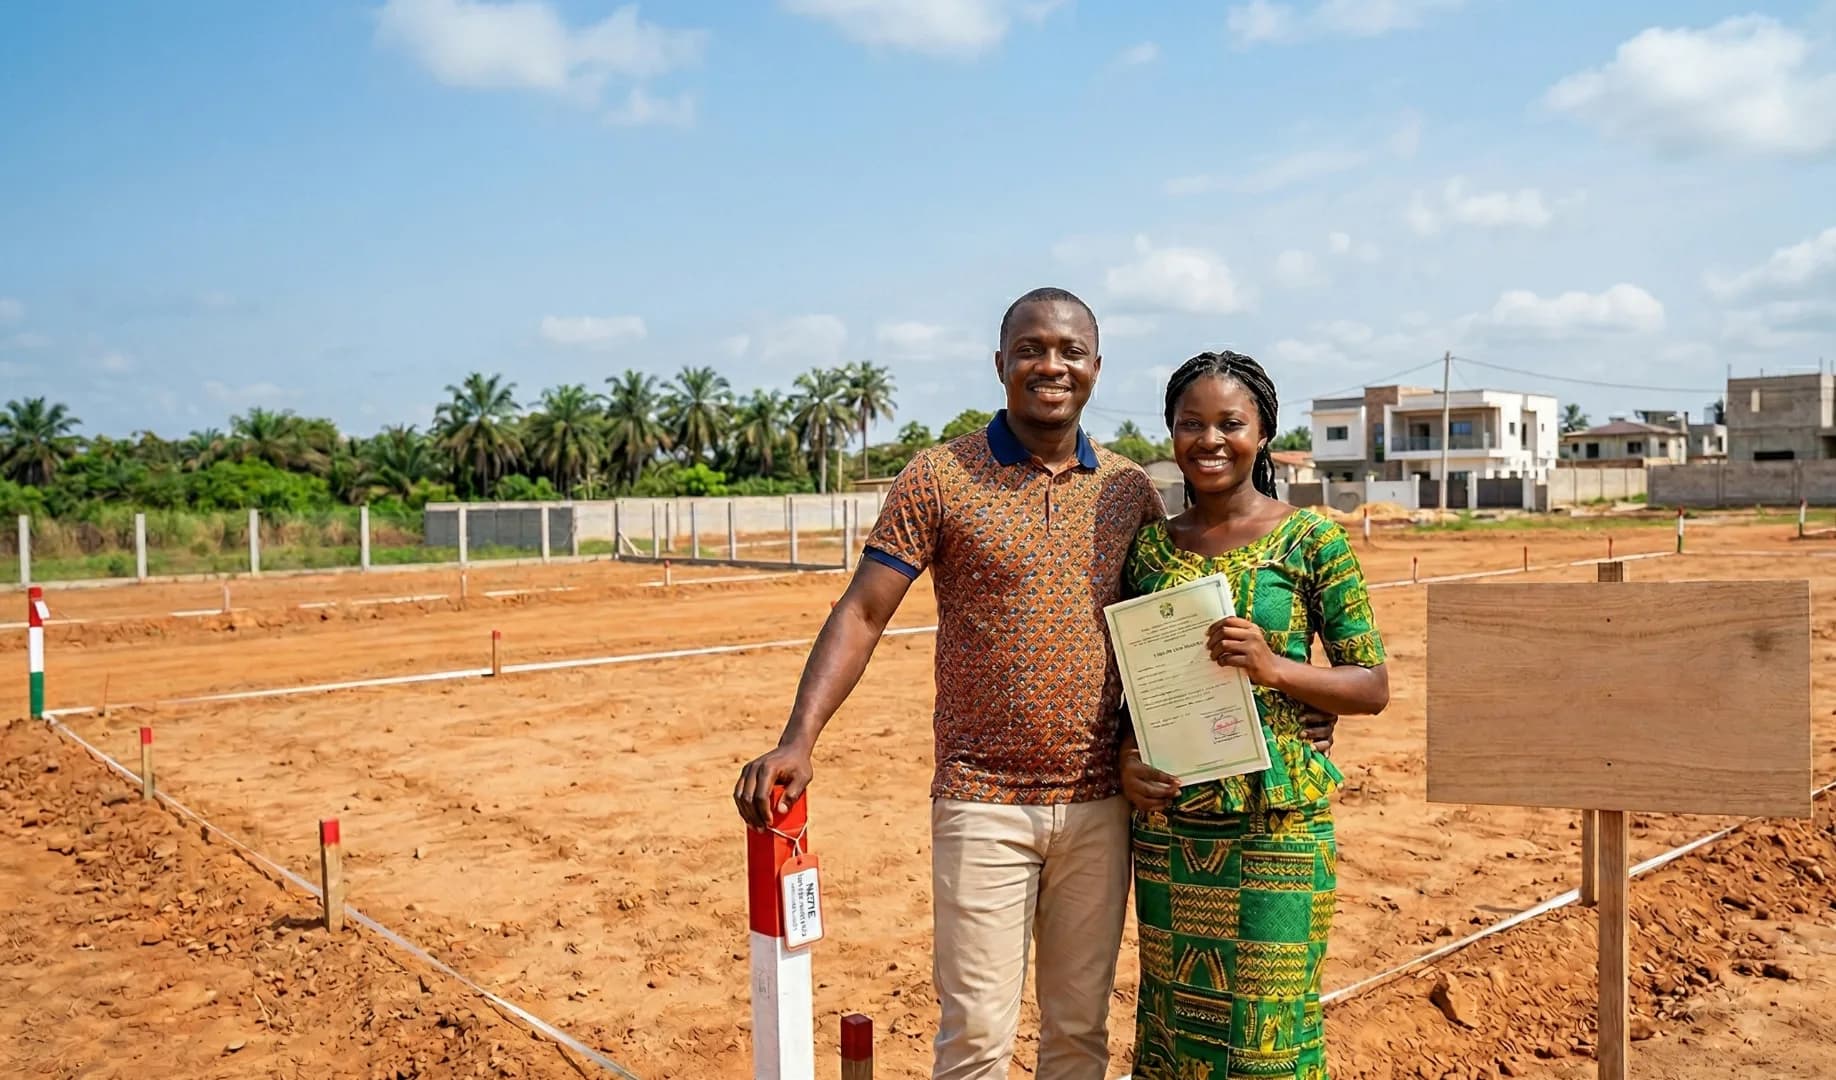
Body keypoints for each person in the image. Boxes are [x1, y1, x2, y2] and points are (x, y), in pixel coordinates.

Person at [734, 290, 1336, 1080]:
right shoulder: (939, 477)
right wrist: (799, 737)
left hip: (1101, 804)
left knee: (1079, 1035)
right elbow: (864, 612)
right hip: (982, 801)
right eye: (1030, 349)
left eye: (1069, 350)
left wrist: (1290, 710)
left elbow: (1175, 641)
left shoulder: (1129, 492)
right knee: (977, 1037)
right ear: (1001, 364)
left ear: (1094, 367)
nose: (1050, 365)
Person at [1119, 351, 1390, 1080]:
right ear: (1171, 434)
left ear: (1264, 433)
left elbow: (1370, 685)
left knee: (1269, 1035)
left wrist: (1277, 670)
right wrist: (1125, 758)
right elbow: (1126, 685)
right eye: (1190, 423)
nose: (1210, 440)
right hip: (1173, 829)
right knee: (1175, 1022)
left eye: (1230, 423)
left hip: (1279, 827)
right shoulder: (1148, 550)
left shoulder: (1312, 541)